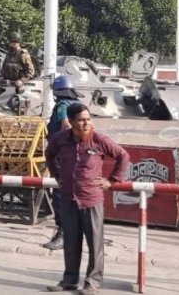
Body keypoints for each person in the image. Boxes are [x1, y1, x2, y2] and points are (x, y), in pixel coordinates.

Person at [44, 104, 129, 294]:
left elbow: (123, 156)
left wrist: (112, 180)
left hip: (91, 199)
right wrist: (56, 174)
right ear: (71, 122)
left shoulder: (99, 140)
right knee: (71, 242)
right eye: (81, 120)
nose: (86, 123)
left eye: (88, 119)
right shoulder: (61, 139)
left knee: (95, 243)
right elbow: (49, 155)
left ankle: (92, 283)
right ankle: (70, 280)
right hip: (68, 198)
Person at [42, 75, 84, 251]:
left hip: (62, 157)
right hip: (78, 156)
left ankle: (63, 232)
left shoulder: (62, 106)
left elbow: (66, 126)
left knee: (60, 194)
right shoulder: (78, 106)